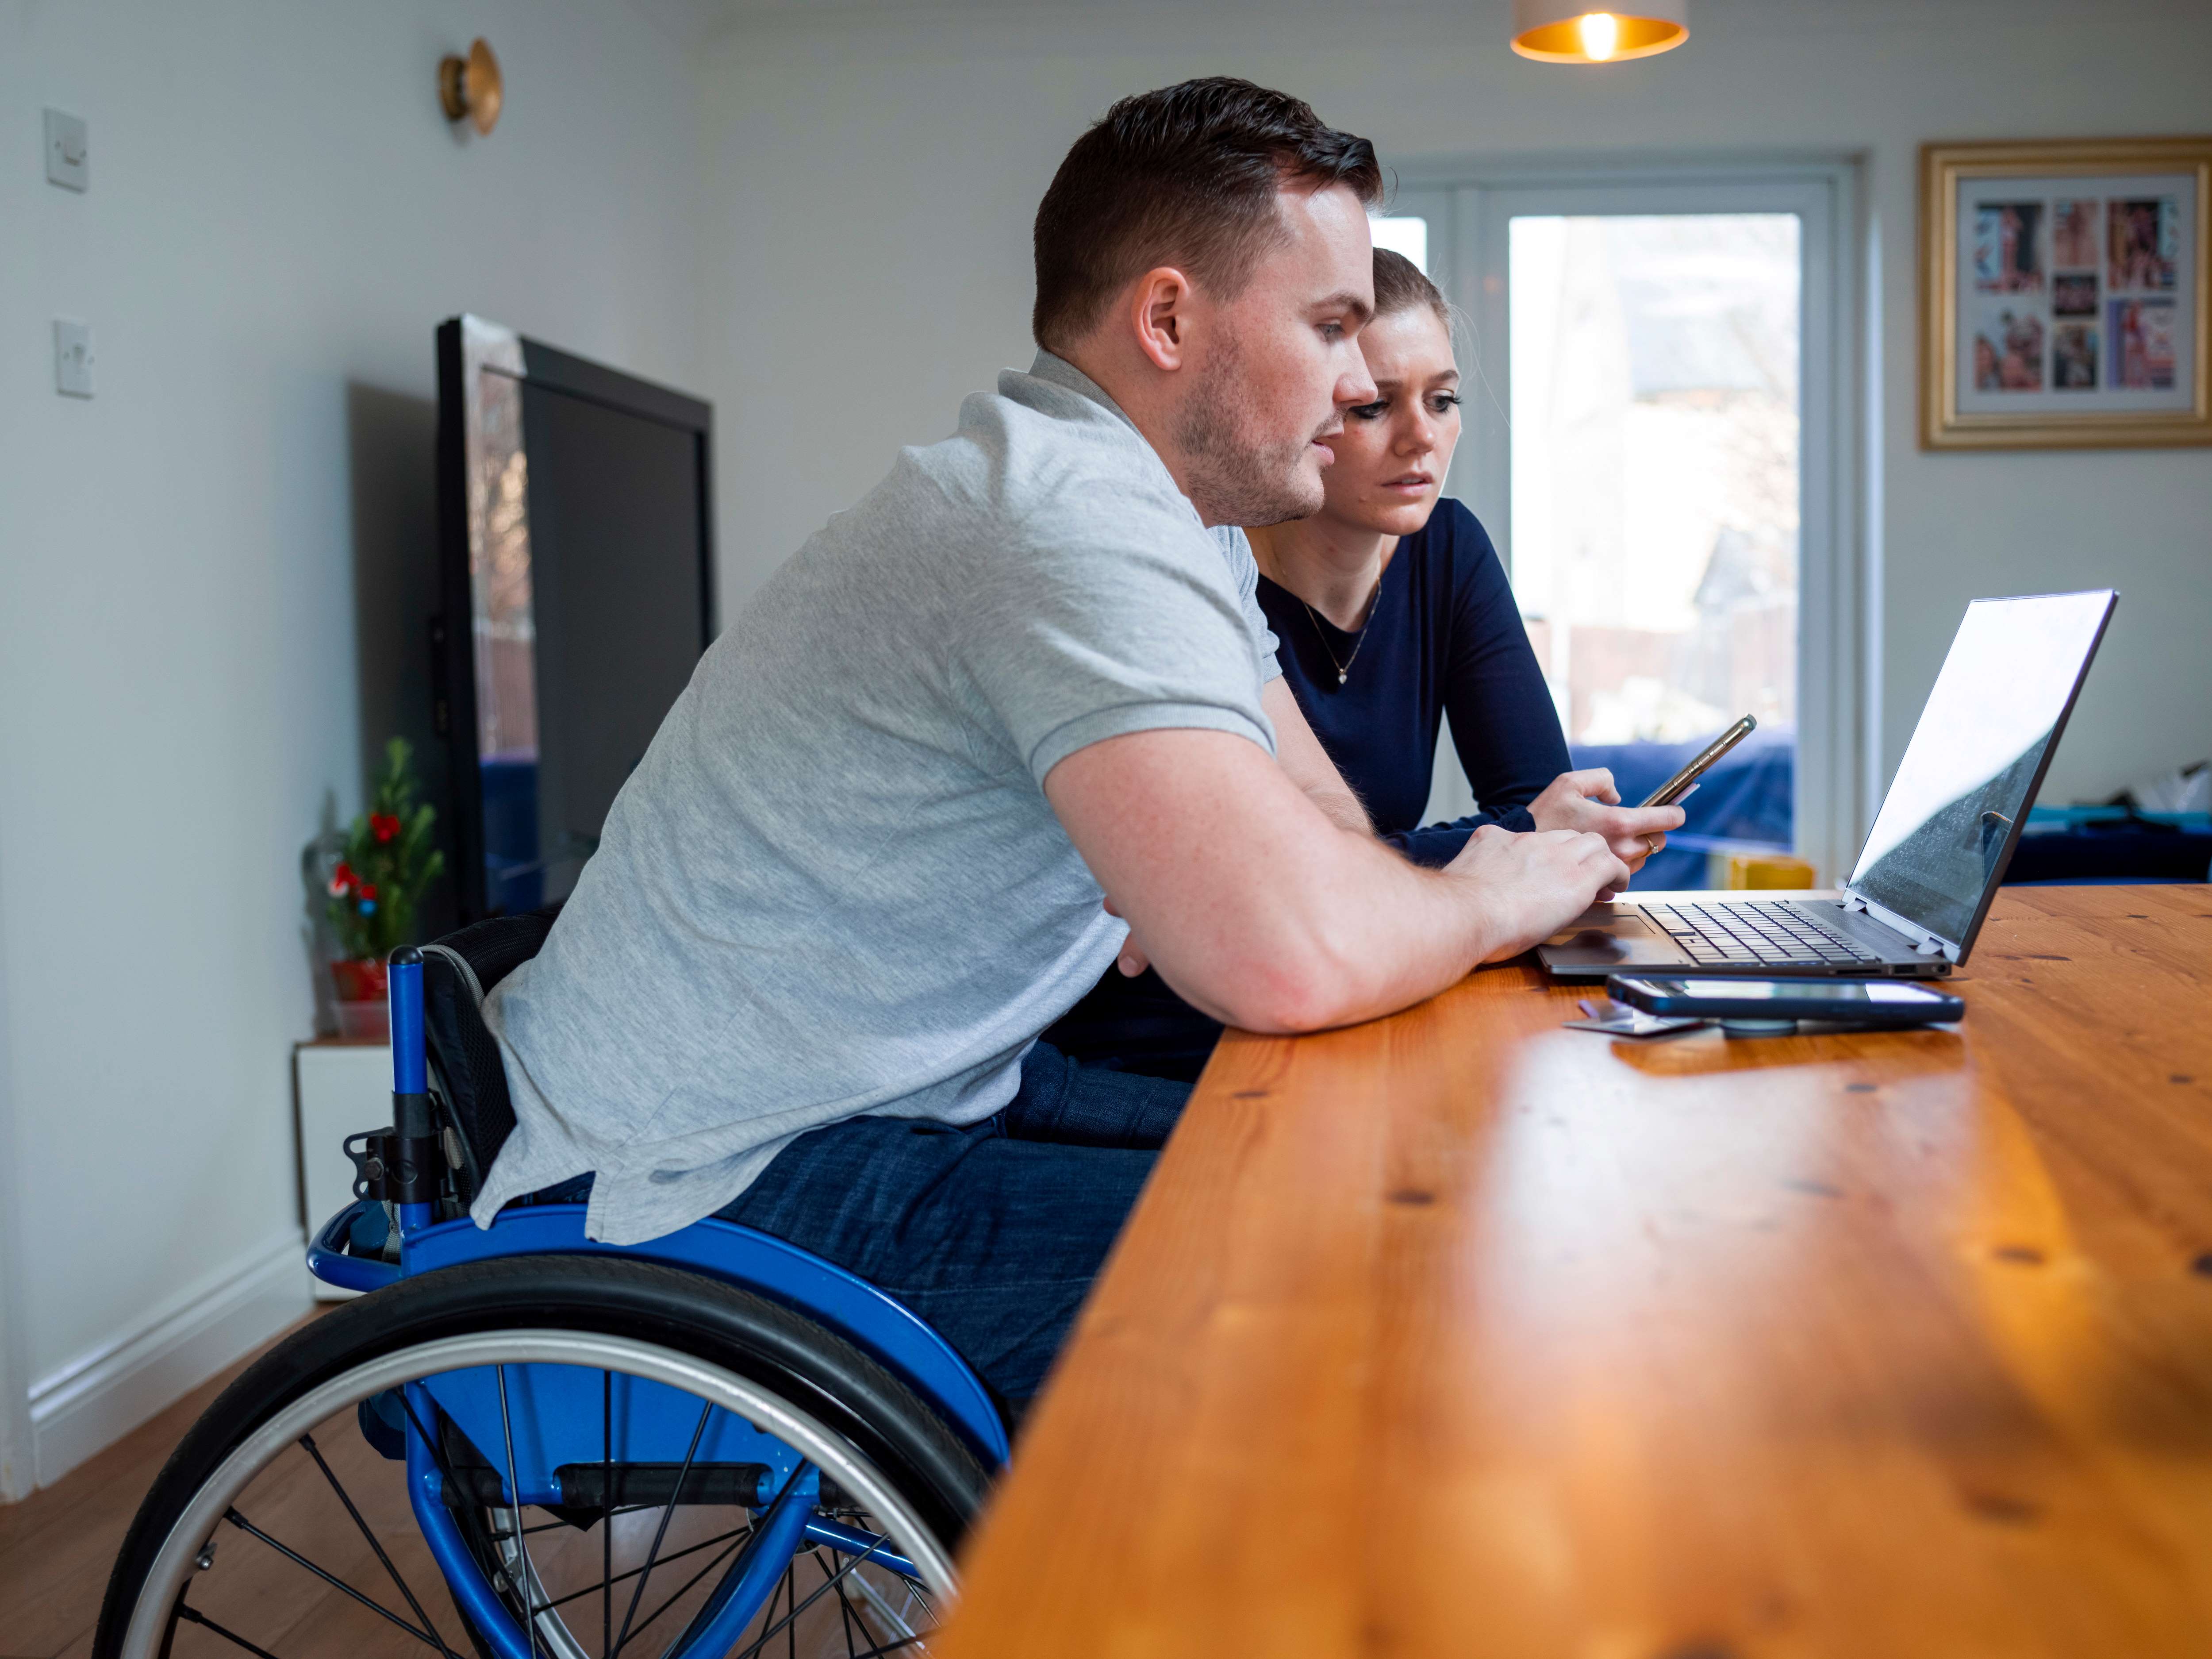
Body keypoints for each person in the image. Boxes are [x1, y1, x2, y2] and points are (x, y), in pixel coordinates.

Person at [471, 78, 1640, 1411]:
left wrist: (1309, 885)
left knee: (1364, 1166)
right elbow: (1294, 949)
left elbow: (1317, 828)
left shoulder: (1168, 520)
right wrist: (1491, 891)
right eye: (1329, 326)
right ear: (1167, 318)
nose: (1361, 378)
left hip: (899, 1087)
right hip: (708, 1165)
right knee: (1364, 1254)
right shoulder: (1059, 524)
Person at [1047, 249, 1683, 1079]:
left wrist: (1516, 846)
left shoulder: (1449, 553)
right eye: (1378, 405)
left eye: (1444, 399)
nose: (1423, 436)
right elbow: (1528, 834)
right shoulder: (1203, 573)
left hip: (1356, 982)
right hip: (1169, 1008)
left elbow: (1550, 829)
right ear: (1315, 406)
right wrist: (1511, 846)